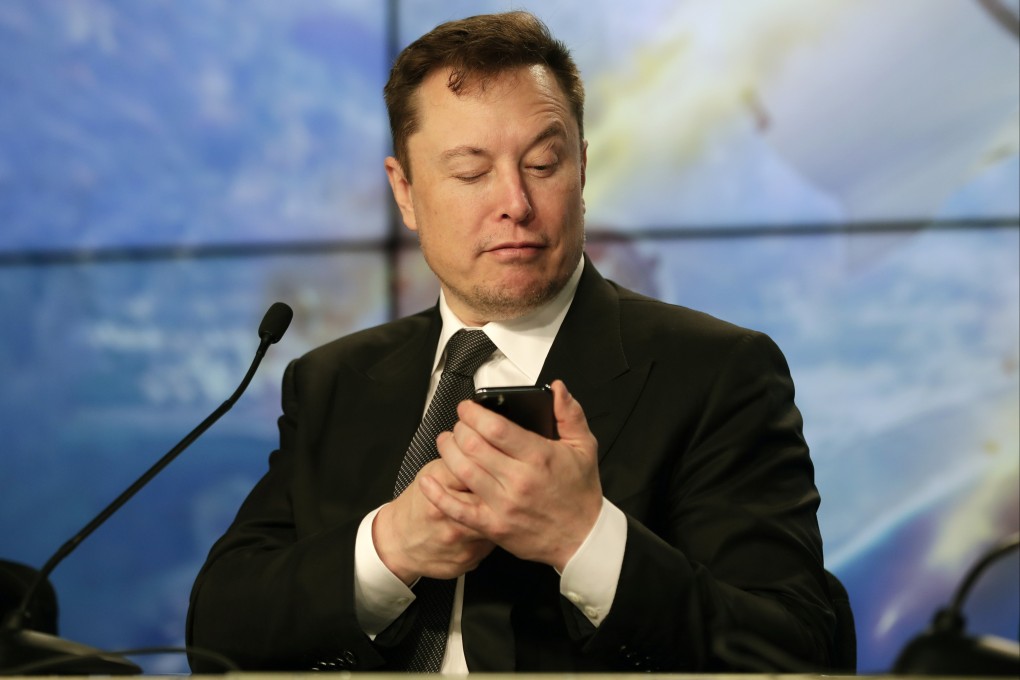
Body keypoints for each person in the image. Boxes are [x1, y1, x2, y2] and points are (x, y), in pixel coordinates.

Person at [187, 11, 838, 673]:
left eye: (543, 163)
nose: (515, 203)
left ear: (581, 169)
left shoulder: (718, 373)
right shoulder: (334, 382)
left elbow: (796, 651)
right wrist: (390, 547)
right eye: (471, 173)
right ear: (405, 193)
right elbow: (218, 630)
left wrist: (585, 538)